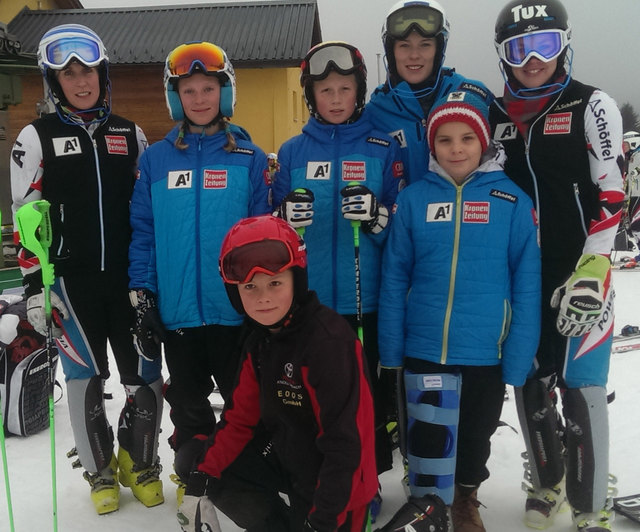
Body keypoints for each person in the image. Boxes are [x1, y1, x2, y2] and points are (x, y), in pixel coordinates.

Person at [10, 24, 163, 514]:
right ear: (53, 82)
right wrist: (35, 286)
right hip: (71, 285)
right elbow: (26, 218)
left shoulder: (129, 133)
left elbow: (147, 212)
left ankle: (139, 462)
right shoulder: (35, 137)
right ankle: (99, 474)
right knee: (85, 378)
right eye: (69, 73)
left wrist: (150, 278)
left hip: (128, 281)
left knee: (145, 375)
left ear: (103, 74)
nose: (81, 82)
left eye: (89, 71)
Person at [378, 89, 541, 532]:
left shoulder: (511, 202)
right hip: (424, 343)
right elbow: (394, 277)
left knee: (475, 432)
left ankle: (466, 497)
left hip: (485, 348)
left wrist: (519, 356)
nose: (456, 149)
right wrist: (391, 349)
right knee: (427, 429)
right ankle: (430, 498)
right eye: (445, 140)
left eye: (467, 138)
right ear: (432, 146)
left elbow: (527, 284)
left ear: (484, 142)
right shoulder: (412, 199)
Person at [489, 1, 625, 531]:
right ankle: (549, 481)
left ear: (564, 44)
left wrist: (596, 263)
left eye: (544, 44)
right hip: (522, 276)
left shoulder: (592, 104)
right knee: (529, 377)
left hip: (580, 272)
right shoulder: (495, 116)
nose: (532, 59)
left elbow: (613, 190)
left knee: (581, 383)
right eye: (518, 48)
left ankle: (592, 501)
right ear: (503, 56)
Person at [174, 215, 378, 532]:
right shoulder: (261, 340)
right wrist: (202, 479)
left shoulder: (328, 343)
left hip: (339, 492)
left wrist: (321, 522)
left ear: (296, 280)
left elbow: (346, 447)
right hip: (293, 465)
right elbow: (239, 419)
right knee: (193, 459)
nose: (263, 297)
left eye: (275, 283)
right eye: (250, 287)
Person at [271, 40, 404, 512]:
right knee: (311, 403)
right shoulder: (291, 152)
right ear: (310, 94)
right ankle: (317, 486)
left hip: (360, 301)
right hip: (309, 306)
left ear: (358, 91)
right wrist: (286, 216)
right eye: (324, 89)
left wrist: (374, 218)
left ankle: (363, 485)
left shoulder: (381, 146)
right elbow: (274, 230)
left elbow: (399, 228)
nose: (334, 98)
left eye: (344, 88)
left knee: (360, 406)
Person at [127, 42, 271, 468]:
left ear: (224, 93)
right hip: (178, 314)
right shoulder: (155, 160)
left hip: (235, 315)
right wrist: (143, 293)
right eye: (188, 91)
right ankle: (195, 475)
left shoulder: (248, 158)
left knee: (244, 404)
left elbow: (263, 236)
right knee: (189, 405)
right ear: (175, 98)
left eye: (208, 88)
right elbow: (144, 232)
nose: (199, 99)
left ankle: (246, 477)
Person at [366, 0, 493, 185]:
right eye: (404, 45)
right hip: (403, 212)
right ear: (391, 51)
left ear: (439, 48)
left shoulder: (473, 97)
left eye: (425, 44)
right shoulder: (374, 112)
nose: (414, 55)